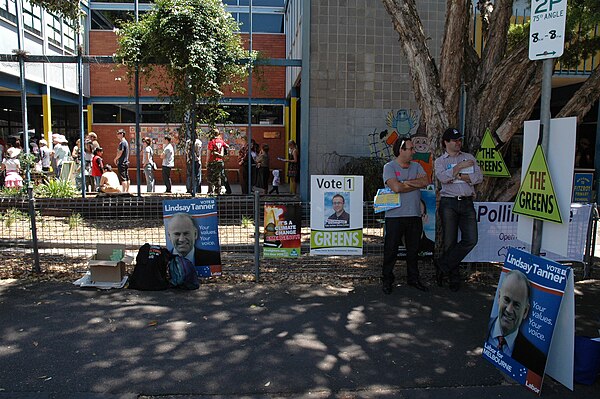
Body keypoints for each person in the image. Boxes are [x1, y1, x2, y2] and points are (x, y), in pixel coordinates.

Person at [434, 128, 483, 292]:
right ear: (446, 142)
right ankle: (453, 277)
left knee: (471, 239)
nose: (458, 143)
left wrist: (458, 175)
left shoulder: (469, 157)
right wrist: (460, 167)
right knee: (450, 241)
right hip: (449, 203)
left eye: (459, 140)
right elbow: (443, 178)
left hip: (467, 202)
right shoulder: (440, 161)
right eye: (454, 140)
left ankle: (442, 265)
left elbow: (478, 177)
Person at [381, 138, 430, 294]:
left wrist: (405, 183)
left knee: (413, 250)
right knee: (391, 250)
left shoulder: (417, 166)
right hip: (394, 216)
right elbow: (395, 187)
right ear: (401, 150)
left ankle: (413, 278)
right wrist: (411, 183)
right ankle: (387, 279)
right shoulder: (389, 167)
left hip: (414, 215)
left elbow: (426, 181)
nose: (413, 151)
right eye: (410, 149)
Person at [486, 270, 547, 377]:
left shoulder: (536, 360)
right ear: (499, 297)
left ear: (525, 311)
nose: (509, 310)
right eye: (506, 300)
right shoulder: (482, 331)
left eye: (516, 305)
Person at [206, 129, 229, 195]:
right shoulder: (221, 141)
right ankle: (218, 190)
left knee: (210, 176)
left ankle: (210, 191)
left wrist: (207, 162)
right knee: (218, 176)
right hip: (220, 161)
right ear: (218, 134)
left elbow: (208, 153)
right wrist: (222, 150)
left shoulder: (212, 142)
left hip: (212, 161)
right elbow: (227, 146)